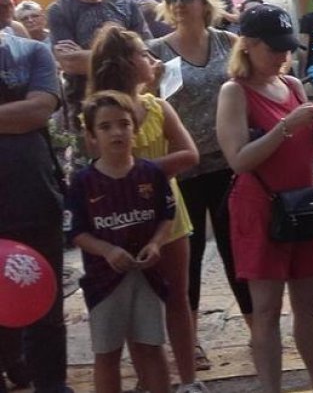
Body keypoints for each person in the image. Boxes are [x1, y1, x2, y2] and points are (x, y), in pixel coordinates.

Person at [215, 4, 313, 393]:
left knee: (308, 309)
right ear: (248, 46)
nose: (283, 57)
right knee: (267, 311)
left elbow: (307, 149)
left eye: (287, 49)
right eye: (274, 49)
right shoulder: (234, 92)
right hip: (260, 208)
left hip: (302, 205)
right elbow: (238, 160)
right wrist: (286, 127)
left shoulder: (290, 86)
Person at [87, 25, 203, 392]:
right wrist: (143, 173)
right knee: (139, 304)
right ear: (125, 63)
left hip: (169, 215)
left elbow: (190, 154)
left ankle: (187, 379)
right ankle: (149, 381)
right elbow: (100, 171)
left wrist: (142, 171)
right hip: (123, 222)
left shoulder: (157, 107)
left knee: (178, 298)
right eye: (143, 54)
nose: (152, 61)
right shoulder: (99, 116)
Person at [147, 0, 252, 370]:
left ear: (205, 2)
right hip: (181, 170)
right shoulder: (154, 52)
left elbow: (252, 85)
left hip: (228, 165)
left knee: (236, 253)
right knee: (185, 263)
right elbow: (144, 106)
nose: (179, 4)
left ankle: (255, 328)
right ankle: (188, 344)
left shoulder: (228, 43)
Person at [65, 91, 175, 393]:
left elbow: (168, 214)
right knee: (108, 353)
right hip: (103, 281)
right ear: (91, 136)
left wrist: (156, 243)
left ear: (135, 128)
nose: (116, 132)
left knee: (151, 347)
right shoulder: (82, 182)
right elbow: (75, 231)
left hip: (147, 276)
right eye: (105, 126)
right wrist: (107, 250)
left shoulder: (151, 174)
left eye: (123, 123)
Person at [0, 11, 70, 393]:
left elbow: (40, 108)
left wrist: (25, 114)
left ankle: (51, 382)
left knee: (46, 298)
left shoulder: (32, 52)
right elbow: (24, 113)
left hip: (34, 194)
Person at [47, 0, 150, 133]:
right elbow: (70, 63)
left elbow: (147, 53)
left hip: (131, 104)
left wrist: (87, 56)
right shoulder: (59, 11)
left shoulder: (127, 5)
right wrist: (126, 56)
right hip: (84, 107)